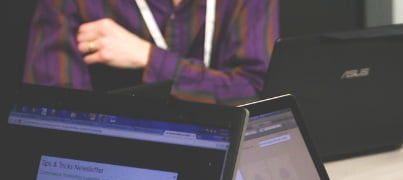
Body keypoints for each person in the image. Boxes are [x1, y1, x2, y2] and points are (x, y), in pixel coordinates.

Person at [23, 0, 279, 105]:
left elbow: (258, 93)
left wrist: (149, 58)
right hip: (119, 163)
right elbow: (56, 112)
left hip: (226, 155)